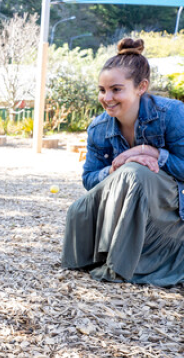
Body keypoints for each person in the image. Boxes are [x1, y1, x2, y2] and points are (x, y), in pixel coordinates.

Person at [62, 38, 184, 287]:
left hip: (170, 206)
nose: (107, 98)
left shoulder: (172, 114)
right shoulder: (98, 128)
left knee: (134, 173)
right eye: (102, 90)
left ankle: (128, 261)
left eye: (116, 89)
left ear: (141, 87)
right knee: (79, 207)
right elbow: (89, 180)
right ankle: (100, 253)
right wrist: (115, 168)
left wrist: (150, 152)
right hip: (127, 194)